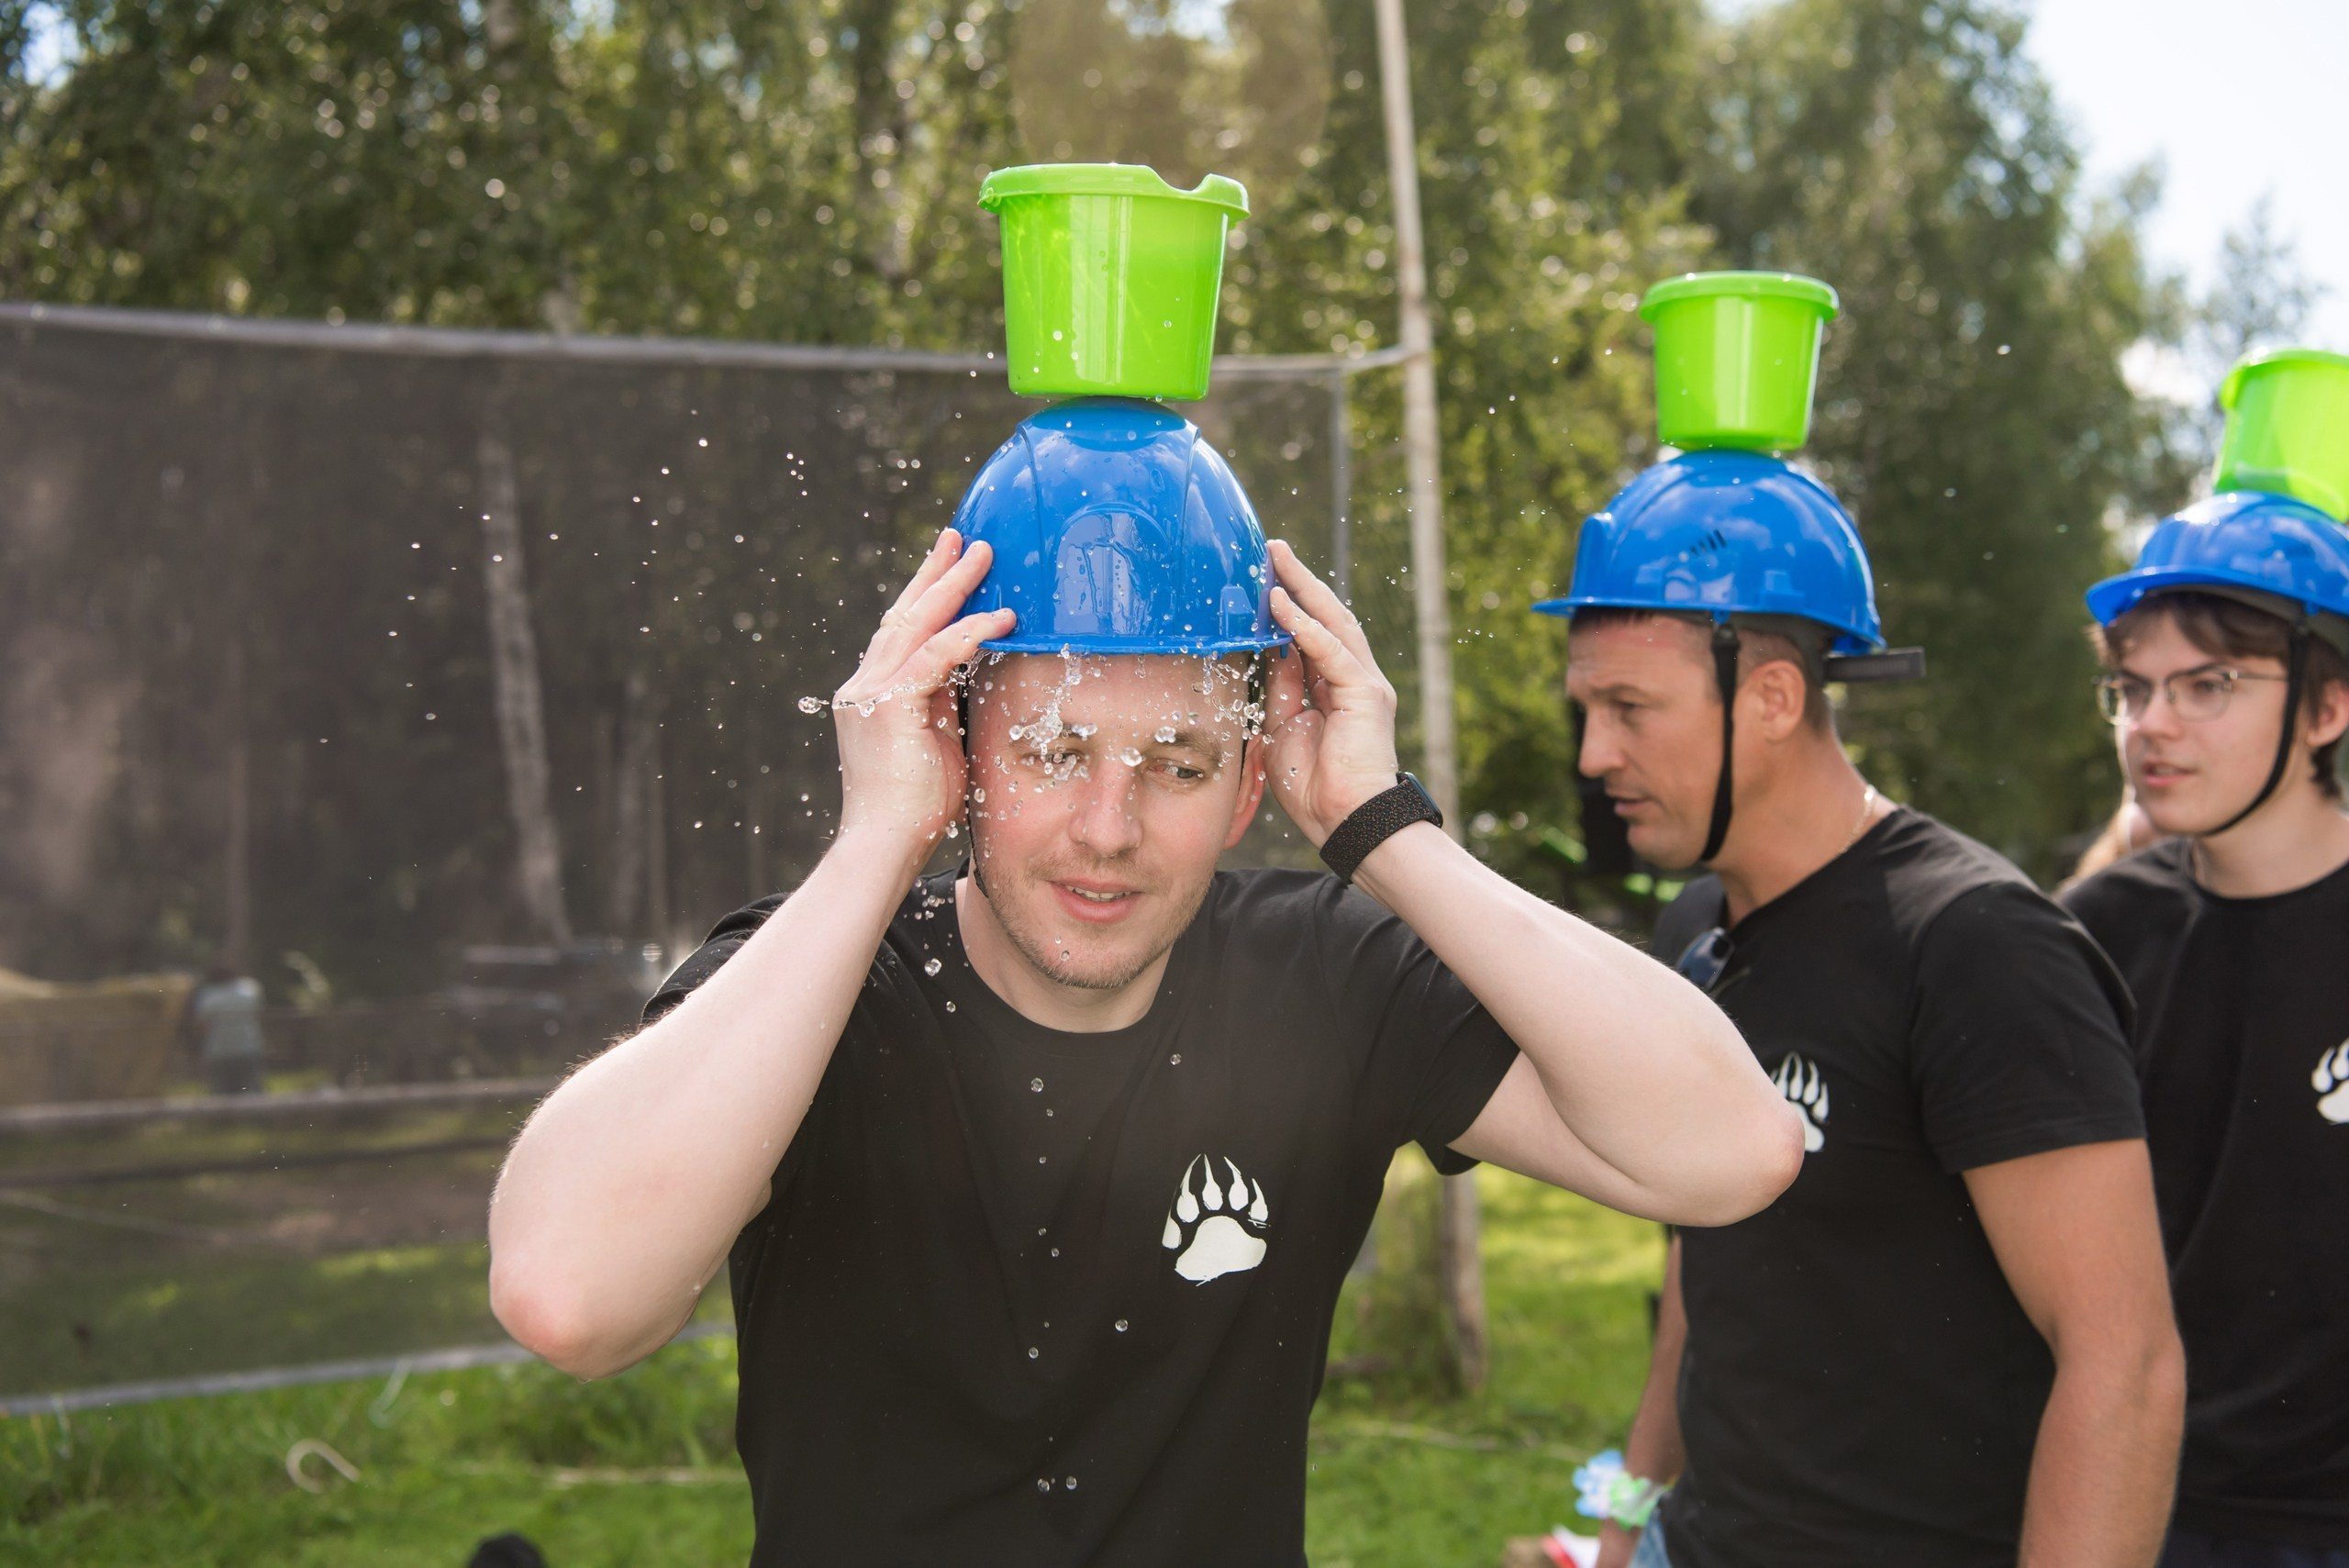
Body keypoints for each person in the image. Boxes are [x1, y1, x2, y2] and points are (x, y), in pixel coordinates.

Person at [485, 402, 1803, 1566]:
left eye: (1176, 762)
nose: (1107, 828)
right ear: (960, 756)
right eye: (1054, 751)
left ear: (1247, 788)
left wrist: (1384, 825)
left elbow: (1732, 1153)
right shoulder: (822, 991)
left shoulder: (1321, 979)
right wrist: (877, 839)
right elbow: (567, 1299)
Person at [1534, 442, 2183, 1568]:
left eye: (1631, 706)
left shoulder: (1976, 944)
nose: (1596, 754)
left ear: (1774, 695)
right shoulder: (1695, 932)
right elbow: (1704, 1266)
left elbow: (2121, 1362)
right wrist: (1626, 1516)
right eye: (1587, 708)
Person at [2061, 465, 2349, 1568]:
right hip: (2147, 1505)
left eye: (2207, 684)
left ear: (2327, 705)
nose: (2152, 725)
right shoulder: (2096, 929)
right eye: (2133, 688)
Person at [187, 962, 265, 1095]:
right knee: (251, 1093)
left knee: (221, 1094)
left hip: (218, 1051)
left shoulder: (208, 996)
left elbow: (203, 1026)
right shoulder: (250, 989)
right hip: (248, 1048)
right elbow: (259, 1014)